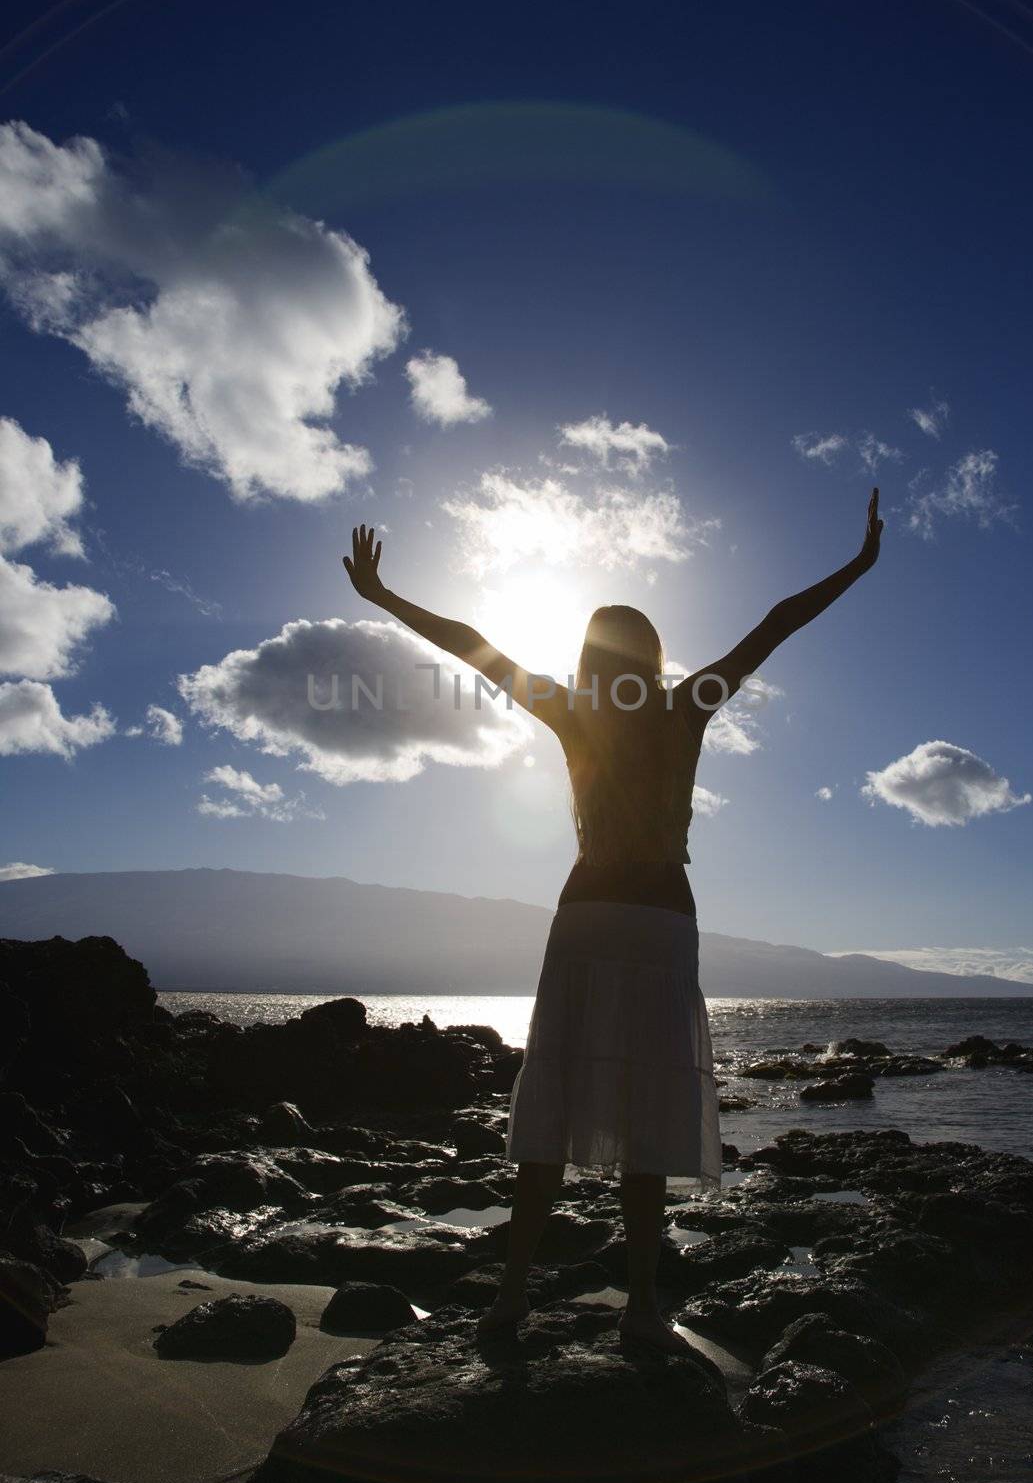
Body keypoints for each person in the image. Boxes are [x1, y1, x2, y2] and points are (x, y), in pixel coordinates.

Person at [343, 488, 884, 1352]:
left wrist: (383, 598)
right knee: (644, 1113)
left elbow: (471, 647)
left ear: (590, 657)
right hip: (661, 915)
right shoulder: (685, 706)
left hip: (589, 911)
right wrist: (857, 566)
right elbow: (775, 622)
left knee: (553, 1103)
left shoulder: (571, 710)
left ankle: (510, 1297)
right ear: (654, 655)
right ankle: (639, 1307)